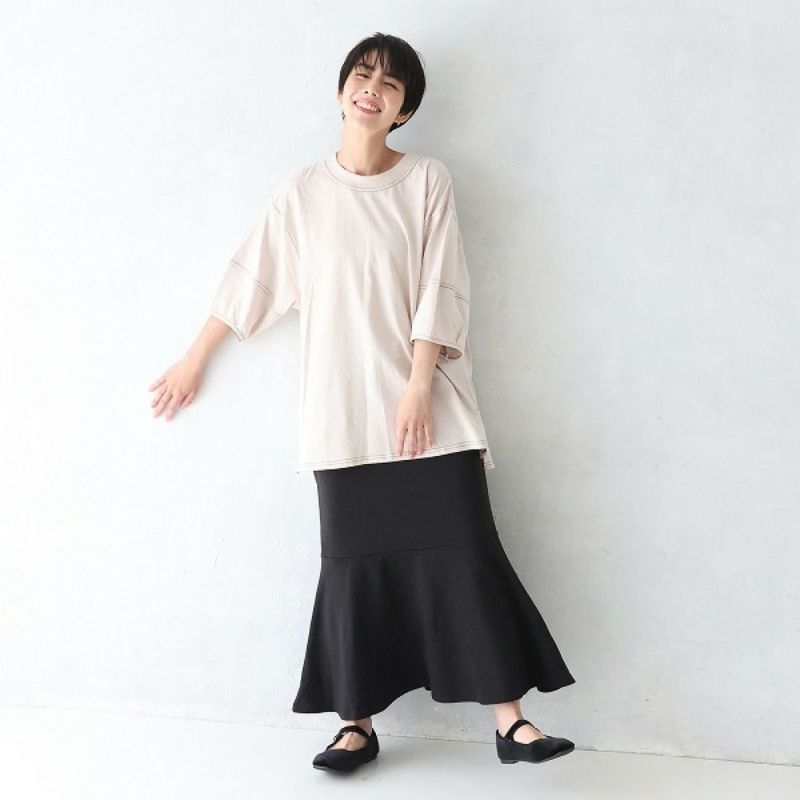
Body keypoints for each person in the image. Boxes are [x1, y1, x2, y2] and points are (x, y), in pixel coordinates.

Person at [149, 32, 576, 774]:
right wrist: (194, 359)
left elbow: (443, 282)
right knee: (353, 570)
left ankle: (510, 723)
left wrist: (417, 384)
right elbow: (252, 277)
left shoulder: (427, 181)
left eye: (390, 83)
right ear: (343, 89)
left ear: (404, 109)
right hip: (342, 414)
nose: (371, 88)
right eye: (361, 75)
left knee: (466, 553)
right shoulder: (303, 192)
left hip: (426, 405)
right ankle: (356, 726)